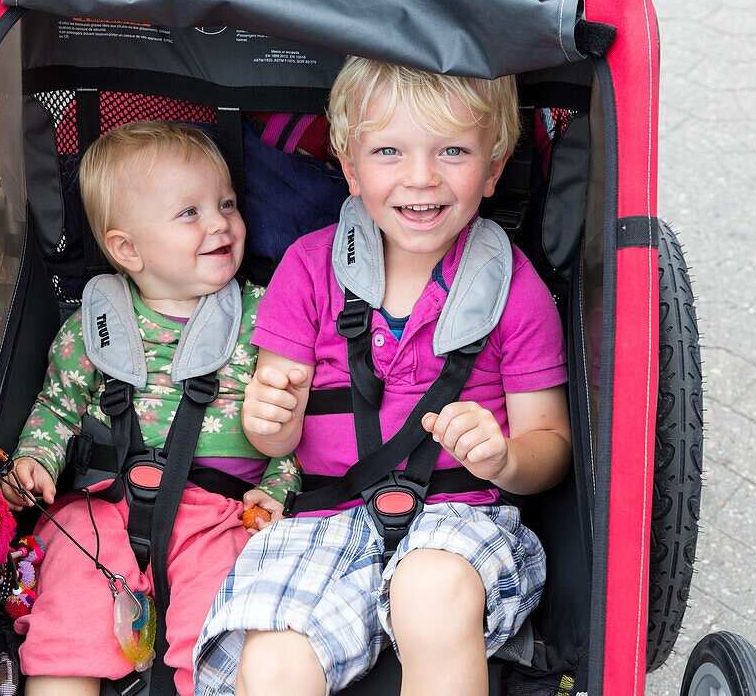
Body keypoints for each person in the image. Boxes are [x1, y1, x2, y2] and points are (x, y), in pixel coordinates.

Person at [193, 58, 572, 696]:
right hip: (327, 519)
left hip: (461, 521)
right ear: (349, 165)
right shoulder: (309, 268)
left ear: (494, 166)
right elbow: (274, 436)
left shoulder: (514, 288)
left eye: (452, 151)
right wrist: (269, 423)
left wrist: (504, 457)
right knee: (275, 656)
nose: (420, 178)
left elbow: (552, 447)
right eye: (389, 151)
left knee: (431, 588)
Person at [2, 120, 298, 696]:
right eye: (189, 213)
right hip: (100, 506)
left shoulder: (269, 317)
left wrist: (279, 485)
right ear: (126, 249)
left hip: (216, 511)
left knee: (223, 625)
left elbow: (296, 419)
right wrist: (34, 458)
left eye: (227, 204)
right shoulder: (90, 328)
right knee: (69, 612)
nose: (221, 223)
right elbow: (57, 411)